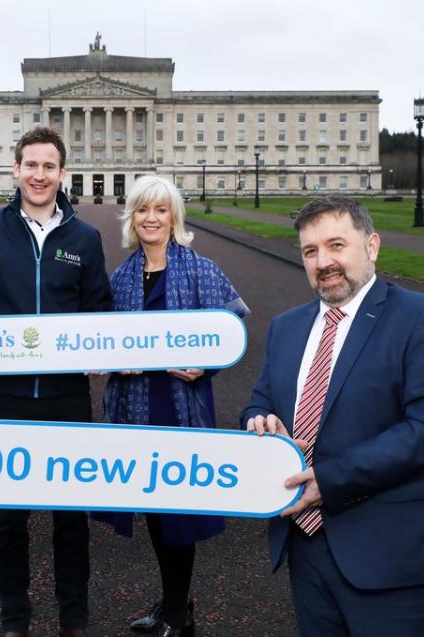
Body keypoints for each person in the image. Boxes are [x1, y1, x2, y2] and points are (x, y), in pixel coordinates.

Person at [241, 195, 424, 636]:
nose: (324, 261)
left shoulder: (422, 318)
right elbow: (258, 402)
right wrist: (258, 422)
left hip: (390, 550)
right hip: (305, 548)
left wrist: (330, 480)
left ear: (372, 246)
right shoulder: (286, 326)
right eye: (310, 251)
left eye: (336, 245)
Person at [0, 126, 112, 637]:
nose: (39, 174)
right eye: (30, 165)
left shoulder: (84, 238)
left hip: (67, 396)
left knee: (71, 516)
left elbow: (99, 309)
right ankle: (15, 619)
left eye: (48, 166)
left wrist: (105, 349)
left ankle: (74, 620)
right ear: (16, 170)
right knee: (9, 517)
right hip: (6, 396)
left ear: (62, 174)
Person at [96, 176, 249, 637]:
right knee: (157, 511)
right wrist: (113, 363)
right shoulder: (121, 278)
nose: (151, 218)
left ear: (174, 217)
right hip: (136, 407)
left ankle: (179, 615)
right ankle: (173, 605)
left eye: (161, 210)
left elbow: (236, 324)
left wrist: (207, 366)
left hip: (180, 405)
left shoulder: (201, 269)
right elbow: (105, 341)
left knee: (179, 512)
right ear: (132, 218)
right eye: (143, 210)